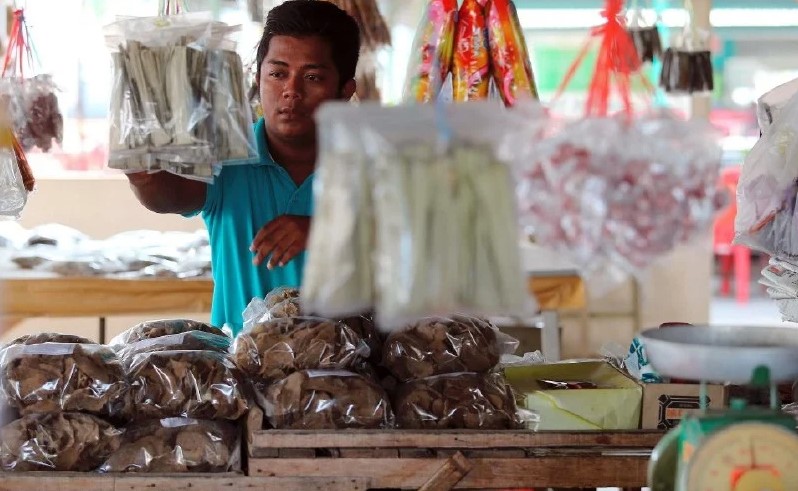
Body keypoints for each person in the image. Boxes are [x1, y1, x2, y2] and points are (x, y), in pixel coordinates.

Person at [125, 0, 360, 333]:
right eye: (278, 73)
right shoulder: (227, 154)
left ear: (344, 90)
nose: (291, 91)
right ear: (258, 76)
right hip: (242, 371)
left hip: (347, 372)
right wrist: (143, 177)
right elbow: (169, 195)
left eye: (312, 77)